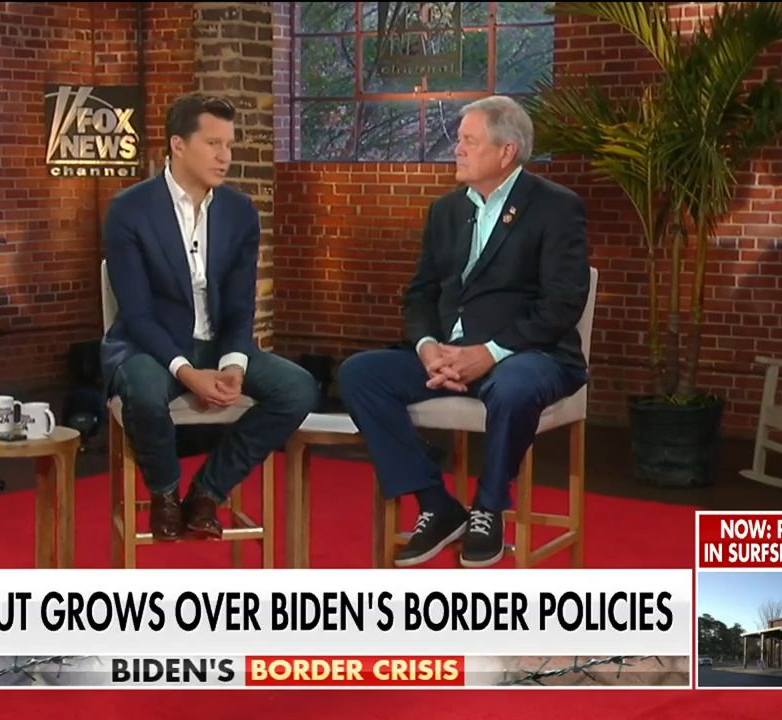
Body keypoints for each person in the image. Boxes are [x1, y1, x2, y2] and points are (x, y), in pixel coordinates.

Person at [338, 95, 591, 568]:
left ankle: (488, 509)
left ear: (506, 151)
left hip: (528, 355)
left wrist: (490, 352)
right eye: (459, 140)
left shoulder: (555, 207)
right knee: (360, 374)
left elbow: (562, 303)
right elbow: (421, 293)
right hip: (449, 355)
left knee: (513, 388)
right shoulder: (446, 210)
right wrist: (427, 347)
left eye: (469, 141)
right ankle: (436, 504)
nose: (457, 149)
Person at [101, 93, 318, 542]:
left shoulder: (239, 212)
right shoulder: (130, 209)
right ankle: (165, 494)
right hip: (151, 346)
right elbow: (137, 315)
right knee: (143, 388)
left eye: (230, 145)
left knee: (298, 387)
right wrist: (187, 373)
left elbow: (240, 305)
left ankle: (207, 492)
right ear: (178, 145)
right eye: (213, 144)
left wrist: (233, 363)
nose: (225, 157)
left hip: (218, 344)